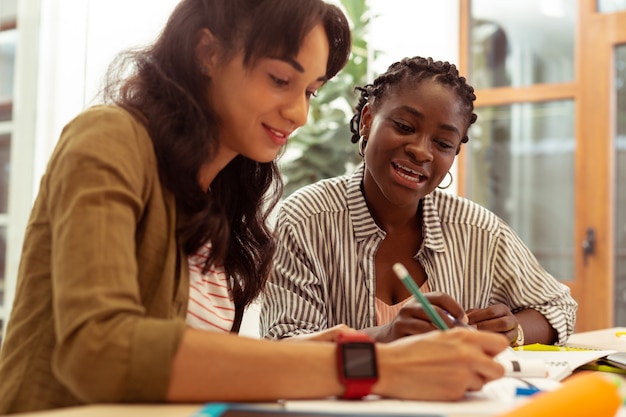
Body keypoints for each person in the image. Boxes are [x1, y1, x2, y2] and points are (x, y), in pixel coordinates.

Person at [0, 2, 510, 415]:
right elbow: (101, 348)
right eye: (280, 80)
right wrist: (377, 366)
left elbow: (195, 355)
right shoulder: (109, 139)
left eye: (310, 90)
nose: (300, 113)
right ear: (208, 52)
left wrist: (334, 351)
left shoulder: (223, 191)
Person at [260, 56, 578, 346]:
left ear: (454, 154)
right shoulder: (305, 219)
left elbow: (559, 307)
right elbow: (282, 347)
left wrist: (514, 330)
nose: (421, 151)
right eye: (404, 127)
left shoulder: (478, 230)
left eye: (442, 143)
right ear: (368, 119)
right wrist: (385, 336)